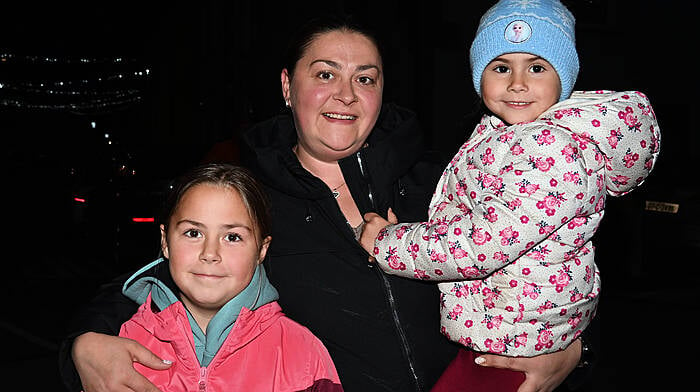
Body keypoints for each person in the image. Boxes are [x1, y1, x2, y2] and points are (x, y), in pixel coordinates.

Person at [59, 15, 588, 392]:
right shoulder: (249, 196)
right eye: (325, 73)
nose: (346, 94)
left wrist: (574, 349)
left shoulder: (441, 179)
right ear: (288, 86)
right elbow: (161, 274)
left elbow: (559, 252)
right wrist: (83, 342)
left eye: (365, 79)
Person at [360, 1, 661, 391]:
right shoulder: (503, 136)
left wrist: (388, 244)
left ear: (564, 78)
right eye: (501, 67)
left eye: (537, 68)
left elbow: (483, 243)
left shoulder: (551, 148)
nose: (518, 82)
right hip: (507, 324)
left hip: (516, 338)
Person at [117, 163, 342, 391]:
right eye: (193, 233)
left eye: (232, 237)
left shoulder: (303, 354)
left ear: (261, 250)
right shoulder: (123, 343)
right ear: (165, 242)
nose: (210, 253)